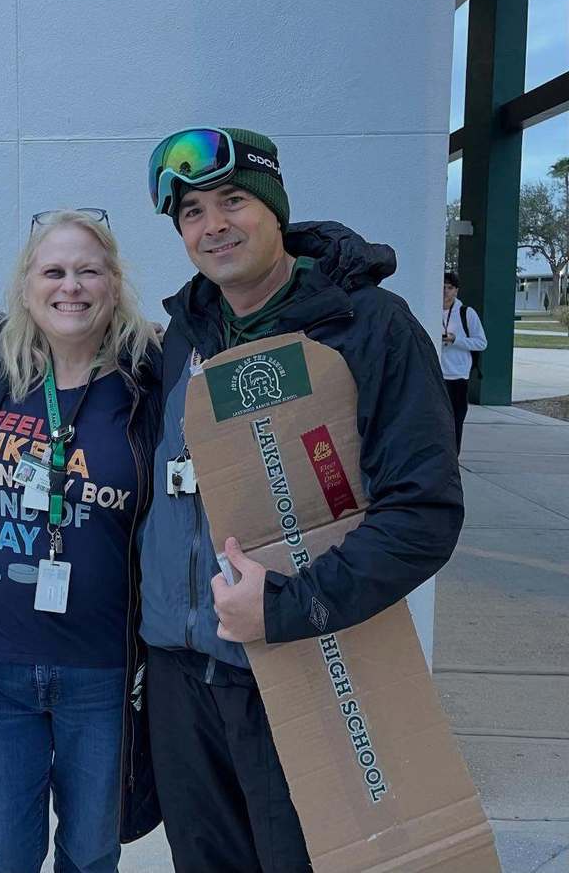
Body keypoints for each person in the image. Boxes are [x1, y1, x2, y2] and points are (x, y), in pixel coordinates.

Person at [139, 126, 465, 872]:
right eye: (191, 212)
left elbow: (423, 514)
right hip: (181, 675)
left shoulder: (369, 328)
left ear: (274, 207)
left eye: (232, 201)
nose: (213, 224)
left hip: (299, 666)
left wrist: (287, 607)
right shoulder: (186, 332)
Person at [0, 210, 162, 873]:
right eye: (54, 271)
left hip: (104, 672)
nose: (72, 286)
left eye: (89, 271)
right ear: (27, 287)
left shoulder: (148, 382)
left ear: (114, 285)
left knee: (91, 855)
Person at [441, 270, 487, 453]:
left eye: (450, 288)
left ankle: (453, 457)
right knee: (436, 419)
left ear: (456, 291)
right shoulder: (430, 310)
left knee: (456, 420)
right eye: (442, 287)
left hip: (458, 376)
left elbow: (481, 343)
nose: (445, 291)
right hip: (436, 374)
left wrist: (455, 340)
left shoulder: (466, 313)